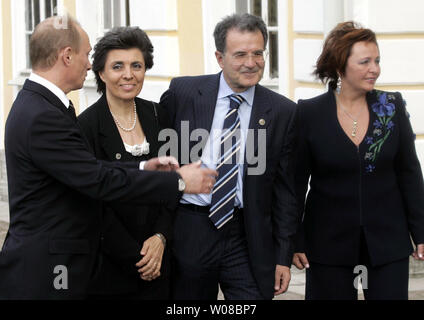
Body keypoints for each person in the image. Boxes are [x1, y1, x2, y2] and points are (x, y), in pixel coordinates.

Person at [0, 15, 217, 300]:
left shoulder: (42, 105)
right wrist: (178, 181)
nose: (89, 64)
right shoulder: (43, 115)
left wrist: (142, 166)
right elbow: (97, 180)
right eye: (86, 55)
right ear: (67, 56)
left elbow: (87, 168)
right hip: (48, 272)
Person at [160, 13, 298, 300]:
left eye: (258, 53)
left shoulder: (282, 111)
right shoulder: (183, 93)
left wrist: (283, 255)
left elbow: (286, 191)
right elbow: (161, 160)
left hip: (247, 236)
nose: (251, 62)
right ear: (220, 58)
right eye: (240, 55)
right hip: (192, 227)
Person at [292, 21, 424, 300]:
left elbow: (410, 174)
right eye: (365, 61)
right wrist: (295, 239)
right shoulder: (309, 114)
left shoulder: (391, 106)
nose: (374, 68)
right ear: (340, 66)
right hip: (328, 245)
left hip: (388, 243)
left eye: (377, 60)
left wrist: (421, 232)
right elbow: (294, 184)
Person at [77, 26, 173, 299]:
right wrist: (138, 258)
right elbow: (93, 202)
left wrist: (161, 237)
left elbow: (173, 184)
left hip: (161, 260)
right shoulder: (86, 126)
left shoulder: (159, 115)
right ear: (101, 73)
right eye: (117, 66)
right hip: (110, 268)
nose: (128, 75)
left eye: (137, 65)